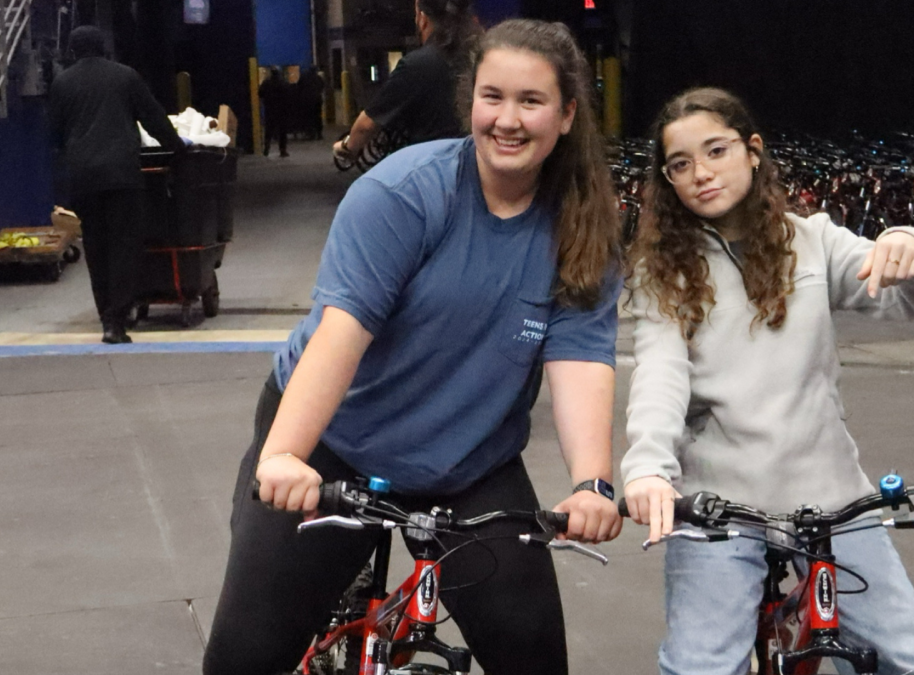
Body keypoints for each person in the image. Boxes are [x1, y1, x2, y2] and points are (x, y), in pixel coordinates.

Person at [204, 19, 623, 675]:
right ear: (471, 102)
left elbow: (580, 359)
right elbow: (340, 333)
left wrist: (591, 483)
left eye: (531, 101)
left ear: (567, 113)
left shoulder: (580, 221)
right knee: (244, 658)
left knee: (534, 655)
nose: (507, 119)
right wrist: (284, 454)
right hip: (334, 444)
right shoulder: (404, 193)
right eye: (493, 97)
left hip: (468, 460)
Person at [620, 88, 914, 675]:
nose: (701, 173)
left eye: (716, 151)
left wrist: (912, 245)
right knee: (700, 668)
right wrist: (648, 468)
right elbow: (660, 373)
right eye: (680, 164)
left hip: (831, 495)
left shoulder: (813, 241)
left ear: (753, 152)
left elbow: (912, 298)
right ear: (667, 179)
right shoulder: (662, 269)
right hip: (719, 507)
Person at [49, 25, 187, 345]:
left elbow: (54, 136)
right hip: (122, 174)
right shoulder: (125, 76)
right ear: (104, 47)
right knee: (125, 246)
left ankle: (105, 318)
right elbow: (153, 117)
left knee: (96, 247)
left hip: (84, 178)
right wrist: (178, 148)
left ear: (72, 51)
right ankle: (117, 320)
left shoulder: (62, 83)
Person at [333, 0, 481, 165]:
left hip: (432, 167)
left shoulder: (416, 64)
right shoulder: (481, 56)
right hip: (479, 162)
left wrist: (347, 148)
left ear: (422, 18)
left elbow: (366, 125)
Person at [259, 66, 292, 157]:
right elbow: (289, 95)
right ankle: (282, 151)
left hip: (270, 110)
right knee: (282, 132)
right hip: (282, 111)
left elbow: (260, 93)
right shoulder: (283, 82)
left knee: (268, 131)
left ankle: (266, 149)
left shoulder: (266, 82)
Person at [297, 66, 326, 140]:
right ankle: (319, 134)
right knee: (318, 116)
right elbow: (322, 86)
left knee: (308, 117)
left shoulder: (304, 77)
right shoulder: (318, 78)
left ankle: (310, 133)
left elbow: (299, 87)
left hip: (307, 100)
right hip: (317, 100)